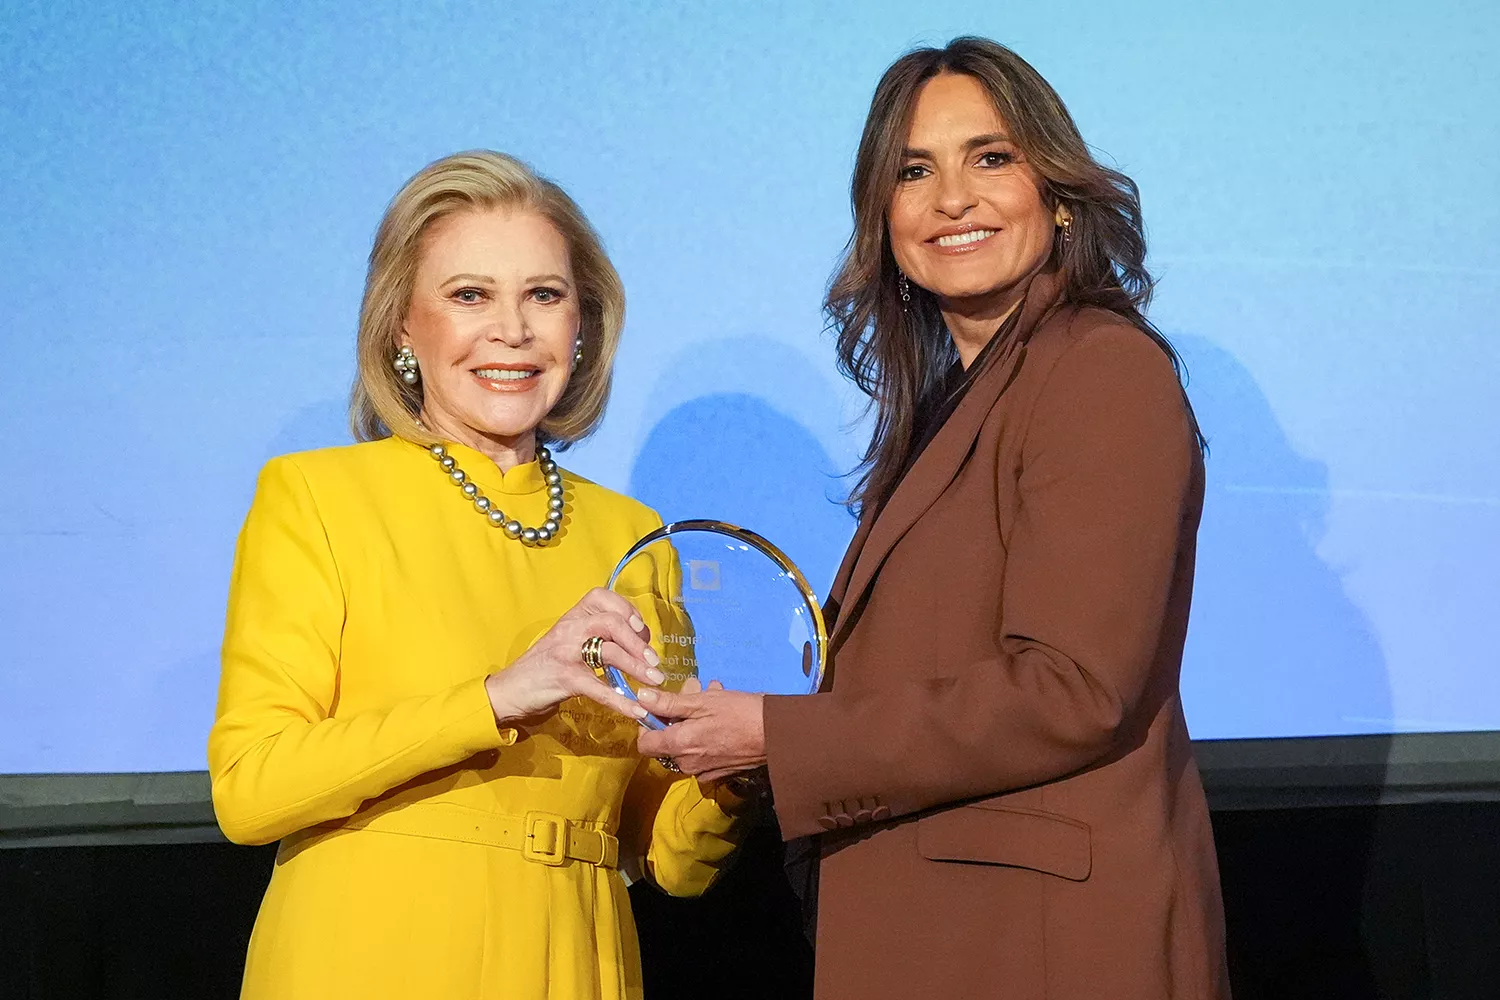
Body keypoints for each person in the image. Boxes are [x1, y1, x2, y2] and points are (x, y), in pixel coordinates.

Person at [638, 37, 1231, 999]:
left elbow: (1073, 688)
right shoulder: (957, 399)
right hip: (952, 932)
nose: (953, 197)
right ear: (884, 216)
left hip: (1041, 947)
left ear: (1060, 190)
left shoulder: (1098, 369)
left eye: (990, 158)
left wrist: (780, 737)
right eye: (915, 171)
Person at [208, 150, 747, 1000]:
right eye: (469, 296)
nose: (513, 330)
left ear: (583, 324)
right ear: (401, 325)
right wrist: (494, 697)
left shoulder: (635, 537)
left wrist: (733, 775)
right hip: (373, 954)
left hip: (583, 957)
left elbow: (669, 857)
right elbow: (250, 789)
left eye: (544, 294)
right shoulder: (316, 497)